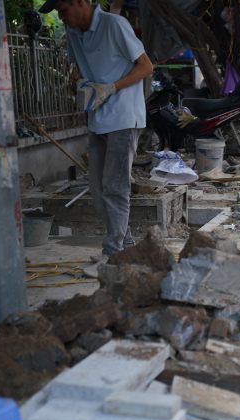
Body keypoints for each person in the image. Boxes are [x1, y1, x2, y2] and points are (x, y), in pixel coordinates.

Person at [39, 0, 153, 278]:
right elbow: (78, 70)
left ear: (80, 2)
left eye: (63, 10)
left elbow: (146, 66)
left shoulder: (115, 25)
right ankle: (125, 247)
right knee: (98, 190)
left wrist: (110, 87)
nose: (61, 17)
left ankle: (113, 253)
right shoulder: (75, 33)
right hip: (98, 118)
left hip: (125, 117)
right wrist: (80, 84)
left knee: (115, 188)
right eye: (57, 13)